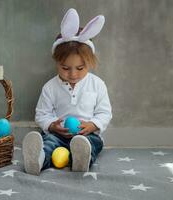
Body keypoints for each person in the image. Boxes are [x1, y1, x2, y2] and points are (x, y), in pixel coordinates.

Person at [22, 8, 112, 175]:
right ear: (57, 62)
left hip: (86, 135)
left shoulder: (97, 85)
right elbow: (42, 114)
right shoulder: (50, 87)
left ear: (89, 63)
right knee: (48, 143)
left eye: (80, 68)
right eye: (65, 68)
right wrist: (52, 126)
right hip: (58, 135)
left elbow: (104, 113)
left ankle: (80, 159)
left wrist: (93, 125)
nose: (73, 74)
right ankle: (38, 160)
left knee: (92, 144)